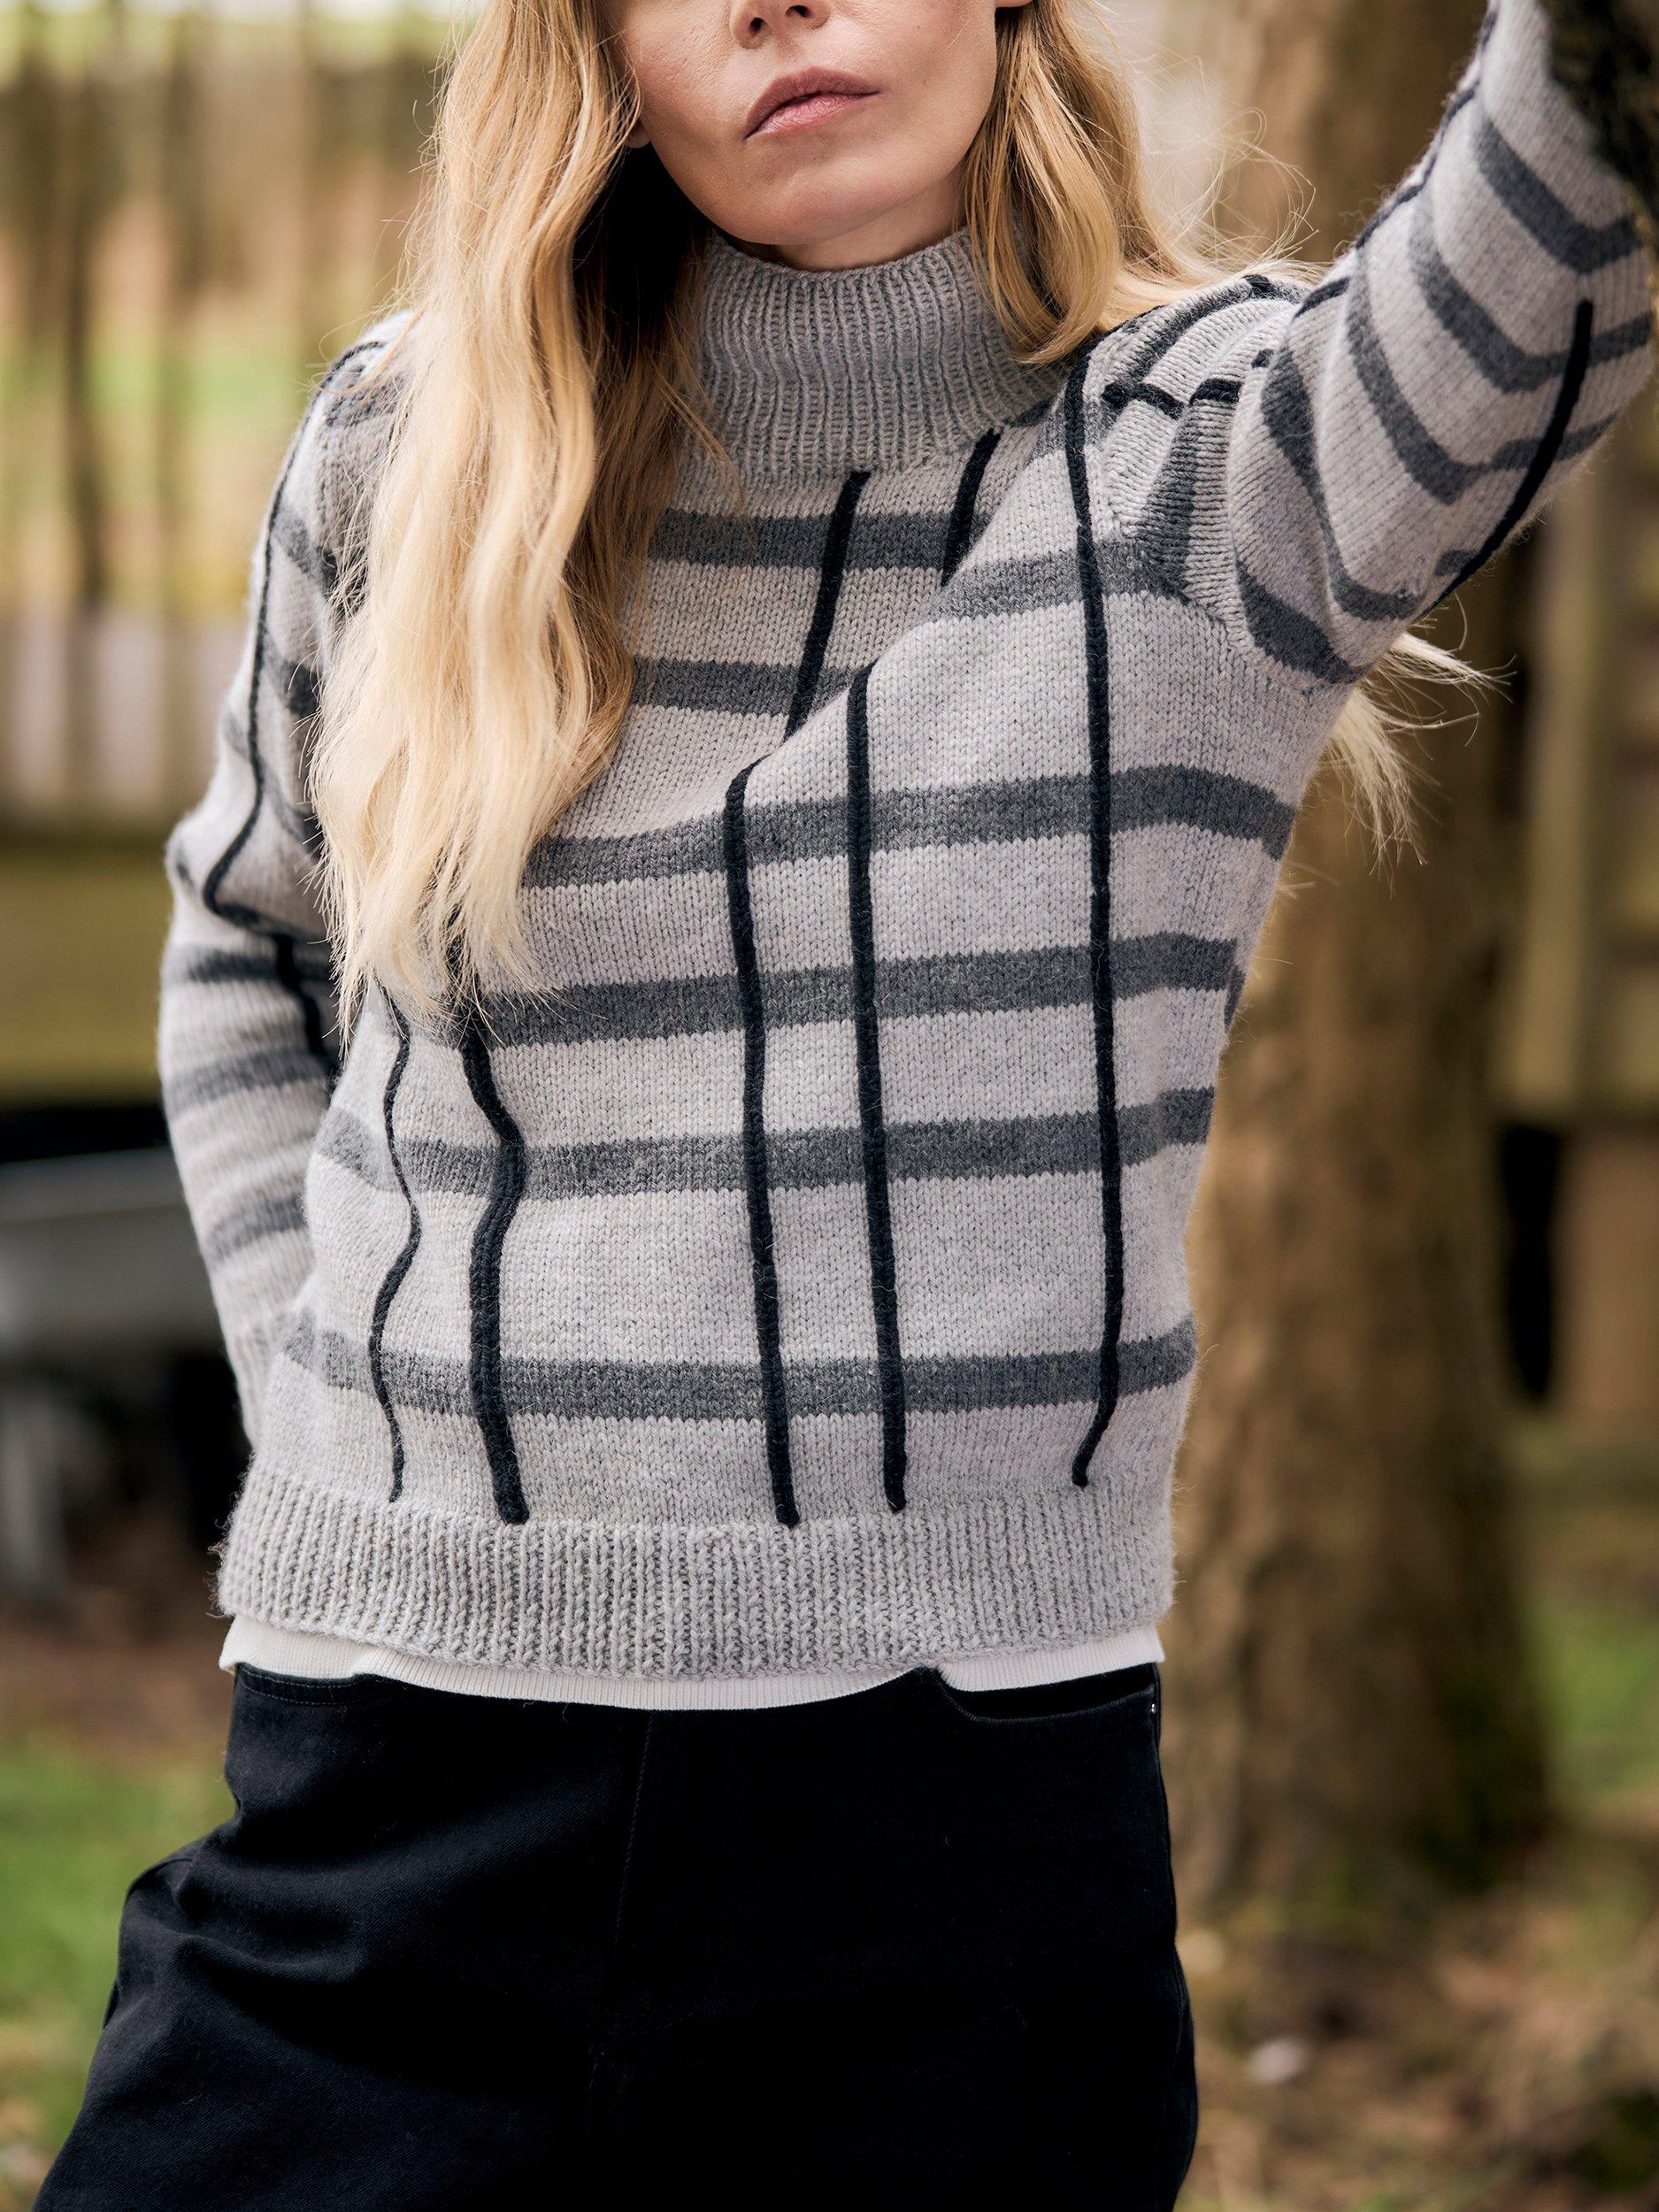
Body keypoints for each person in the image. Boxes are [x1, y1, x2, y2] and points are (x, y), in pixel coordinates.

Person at [37, 0, 1659, 2204]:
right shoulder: (405, 447)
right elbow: (251, 941)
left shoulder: (1217, 468)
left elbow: (1558, 222)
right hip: (385, 1804)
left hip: (946, 1853)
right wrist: (343, 1407)